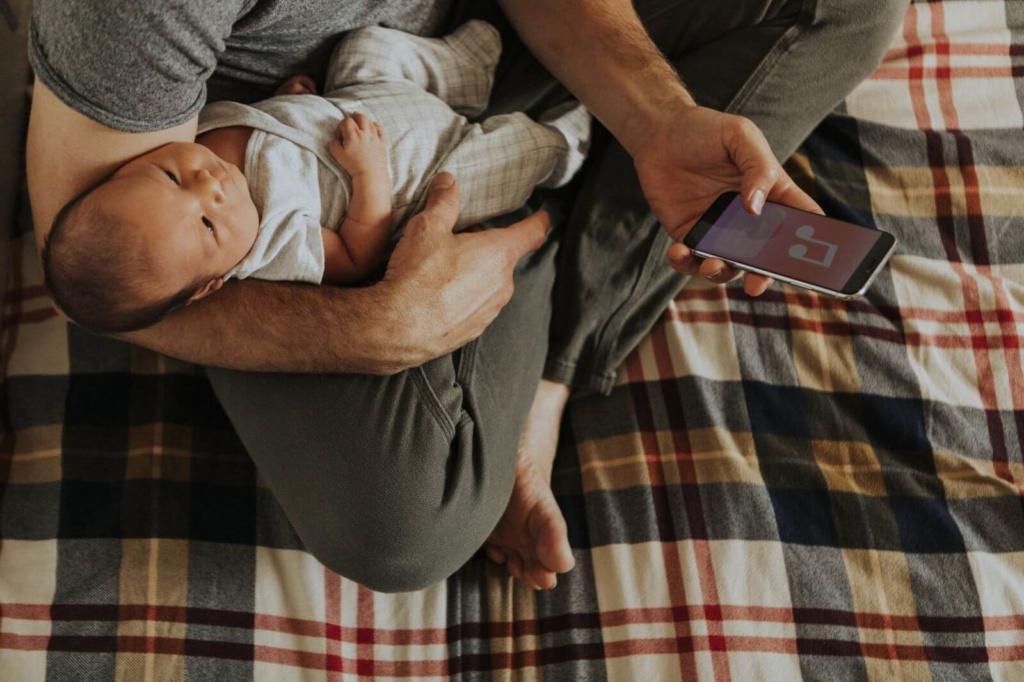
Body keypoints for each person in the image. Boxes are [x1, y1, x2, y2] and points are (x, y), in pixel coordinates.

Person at [26, 0, 907, 592]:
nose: (203, 194)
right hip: (316, 151)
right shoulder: (135, 24)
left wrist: (651, 113)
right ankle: (559, 210)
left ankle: (550, 369)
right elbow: (101, 277)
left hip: (458, 45)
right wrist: (377, 324)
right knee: (404, 526)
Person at [40, 20, 590, 334]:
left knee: (366, 46)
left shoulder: (200, 137)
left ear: (136, 159)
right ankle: (560, 145)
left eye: (170, 177)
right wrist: (369, 173)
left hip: (358, 100)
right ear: (212, 284)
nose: (209, 185)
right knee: (491, 170)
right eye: (208, 224)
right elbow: (358, 256)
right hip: (413, 168)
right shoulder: (272, 245)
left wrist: (290, 102)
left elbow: (260, 122)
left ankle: (462, 71)